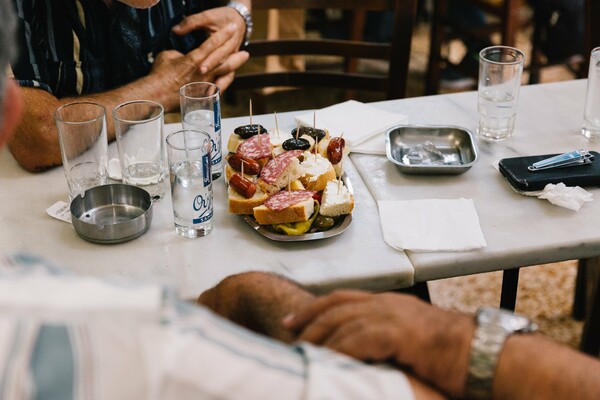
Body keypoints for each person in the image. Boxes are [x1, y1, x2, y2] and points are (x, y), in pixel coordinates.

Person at [2, 3, 600, 400]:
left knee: (390, 281)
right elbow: (32, 137)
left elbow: (240, 10)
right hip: (74, 212)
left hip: (199, 193)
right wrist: (166, 83)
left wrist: (239, 20)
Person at [7, 0, 251, 173]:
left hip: (167, 178)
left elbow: (237, 8)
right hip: (57, 198)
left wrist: (239, 15)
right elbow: (37, 141)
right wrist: (161, 89)